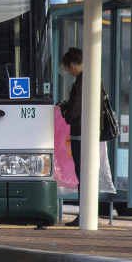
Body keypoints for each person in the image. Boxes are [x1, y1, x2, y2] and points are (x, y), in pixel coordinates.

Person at [58, 47, 83, 226]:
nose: (69, 73)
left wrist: (64, 109)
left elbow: (72, 114)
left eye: (67, 70)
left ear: (72, 66)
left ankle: (85, 214)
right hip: (88, 133)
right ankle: (86, 213)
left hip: (80, 134)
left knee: (82, 173)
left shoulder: (79, 85)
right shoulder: (94, 79)